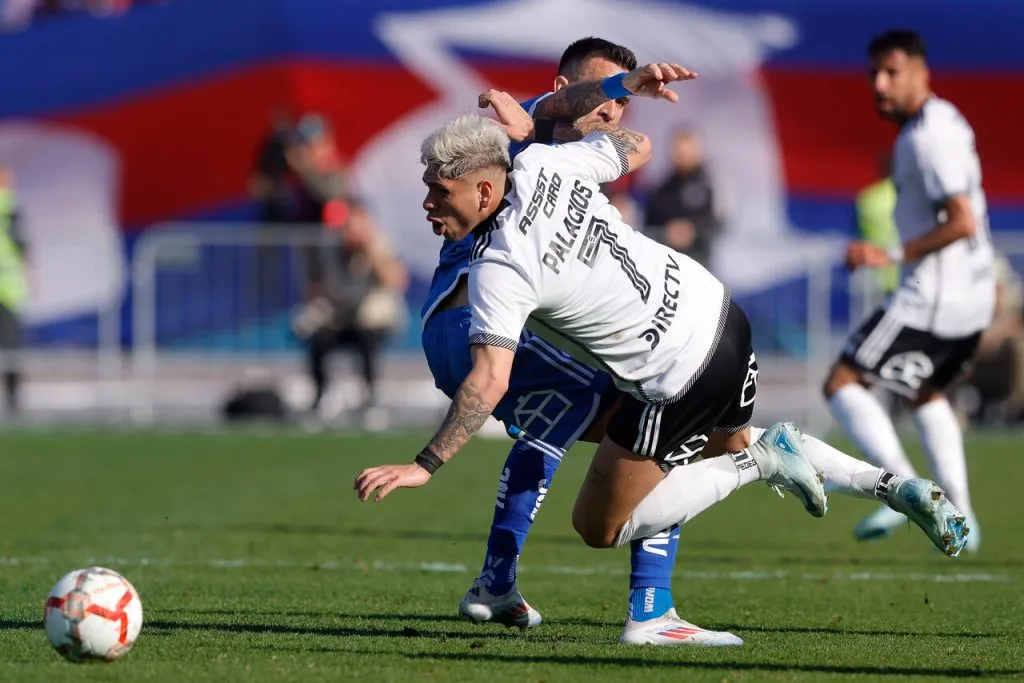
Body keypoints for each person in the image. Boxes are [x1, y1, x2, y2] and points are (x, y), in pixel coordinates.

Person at [356, 93, 970, 631]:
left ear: (484, 190)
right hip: (721, 312)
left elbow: (488, 381)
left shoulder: (498, 269)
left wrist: (426, 465)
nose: (428, 204)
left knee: (599, 525)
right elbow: (636, 144)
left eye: (440, 190)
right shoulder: (544, 163)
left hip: (679, 373)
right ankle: (887, 484)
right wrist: (542, 125)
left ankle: (753, 471)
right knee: (721, 442)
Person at [418, 40, 739, 646]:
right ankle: (650, 609)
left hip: (464, 322)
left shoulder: (565, 153)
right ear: (566, 88)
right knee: (656, 421)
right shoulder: (537, 125)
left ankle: (499, 585)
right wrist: (613, 91)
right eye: (605, 93)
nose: (615, 109)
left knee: (627, 425)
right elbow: (567, 115)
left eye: (623, 98)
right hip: (472, 317)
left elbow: (634, 148)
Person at [823, 30, 993, 551]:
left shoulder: (927, 137)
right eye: (875, 72)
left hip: (933, 299)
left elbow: (961, 220)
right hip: (973, 297)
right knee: (926, 392)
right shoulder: (939, 121)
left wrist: (888, 255)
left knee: (842, 382)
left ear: (922, 73)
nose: (880, 84)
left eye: (892, 72)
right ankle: (962, 513)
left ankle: (904, 491)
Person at [643, 128, 722, 269]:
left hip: (701, 262)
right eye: (679, 151)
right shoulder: (662, 190)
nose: (683, 156)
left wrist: (692, 229)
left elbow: (720, 221)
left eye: (688, 151)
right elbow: (649, 226)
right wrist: (666, 232)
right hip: (667, 265)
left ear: (698, 151)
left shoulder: (714, 184)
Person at [0, 164, 27, 417]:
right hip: (8, 290)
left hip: (7, 288)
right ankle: (13, 402)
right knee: (10, 347)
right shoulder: (9, 205)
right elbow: (22, 243)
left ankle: (14, 401)